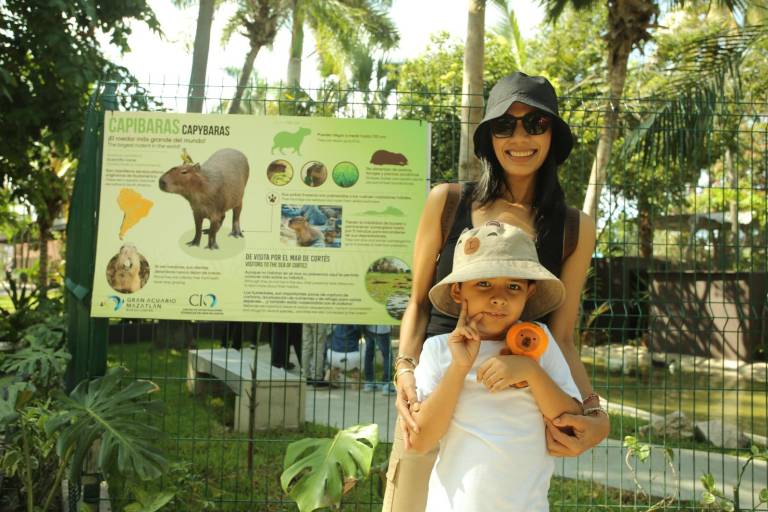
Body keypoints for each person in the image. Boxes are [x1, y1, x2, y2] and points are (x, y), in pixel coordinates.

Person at [383, 72, 610, 511]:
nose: (519, 137)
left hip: (517, 400)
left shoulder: (573, 228)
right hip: (436, 385)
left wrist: (594, 414)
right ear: (488, 138)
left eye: (535, 124)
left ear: (553, 136)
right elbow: (416, 302)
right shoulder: (447, 203)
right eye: (504, 125)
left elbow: (562, 338)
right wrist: (405, 373)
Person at [410, 222, 582, 511]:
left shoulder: (539, 341)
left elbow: (570, 426)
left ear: (529, 292)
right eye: (483, 283)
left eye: (513, 286)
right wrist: (459, 368)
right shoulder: (438, 349)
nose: (499, 297)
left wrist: (530, 371)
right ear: (457, 291)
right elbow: (420, 440)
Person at [361, 325, 395, 395]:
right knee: (387, 355)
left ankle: (369, 382)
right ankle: (387, 384)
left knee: (369, 354)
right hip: (382, 329)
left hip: (368, 326)